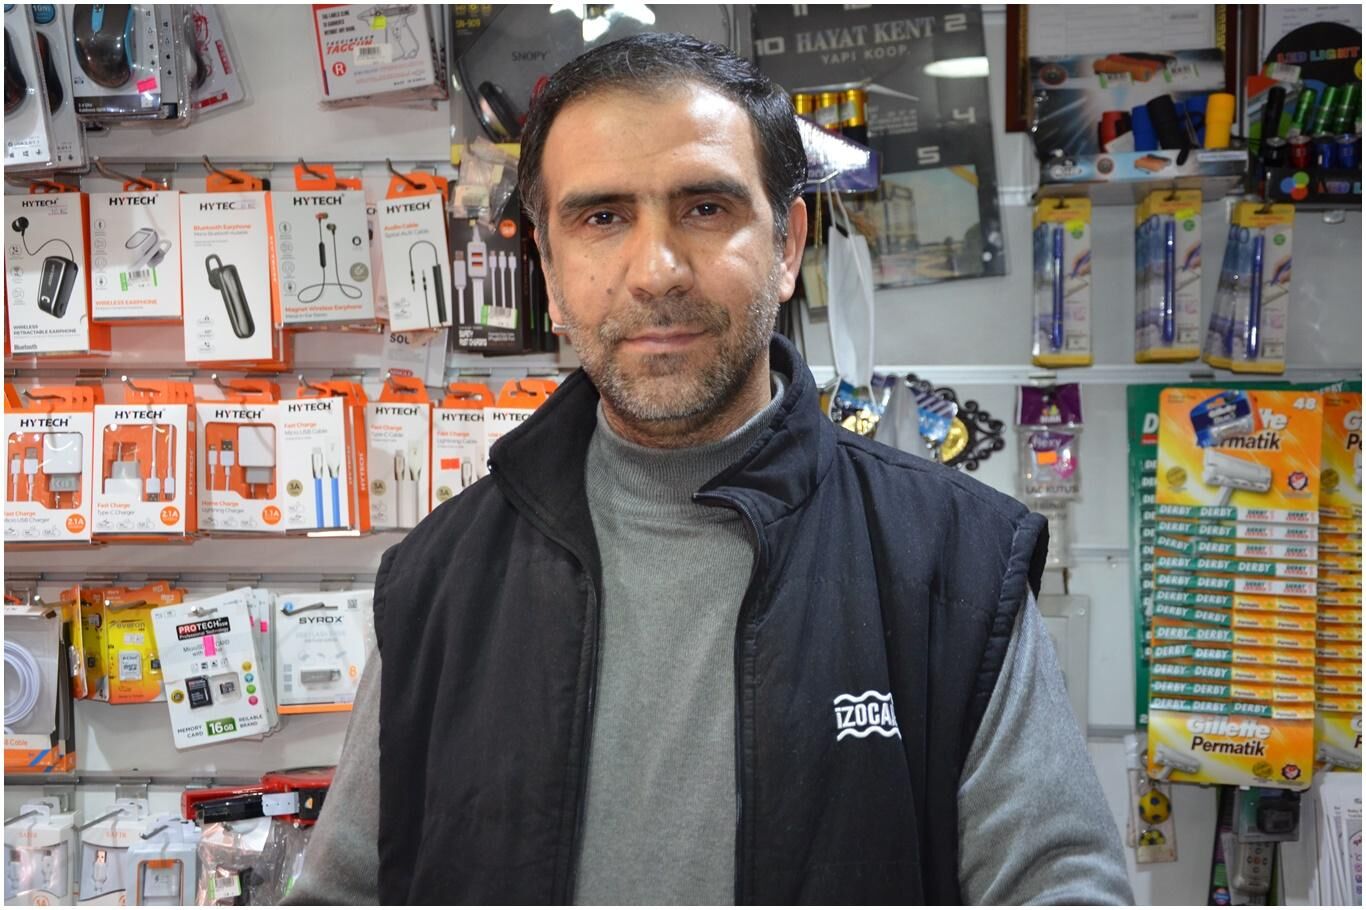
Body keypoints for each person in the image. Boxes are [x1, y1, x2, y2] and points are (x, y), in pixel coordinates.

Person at [287, 32, 1132, 905]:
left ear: (788, 245)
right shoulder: (436, 582)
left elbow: (1060, 885)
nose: (657, 271)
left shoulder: (954, 564)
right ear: (548, 264)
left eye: (704, 209)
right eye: (602, 218)